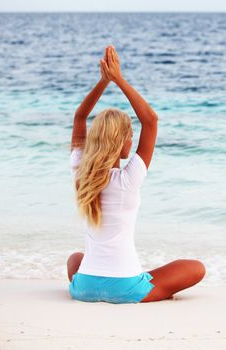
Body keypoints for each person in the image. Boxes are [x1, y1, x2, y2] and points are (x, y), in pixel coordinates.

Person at [66, 45, 206, 303]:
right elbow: (151, 120)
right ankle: (132, 281)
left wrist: (103, 82)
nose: (132, 141)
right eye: (130, 136)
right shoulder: (128, 179)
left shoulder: (80, 173)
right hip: (125, 289)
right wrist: (118, 79)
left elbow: (80, 116)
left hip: (83, 288)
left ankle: (105, 281)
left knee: (75, 259)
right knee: (197, 267)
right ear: (121, 141)